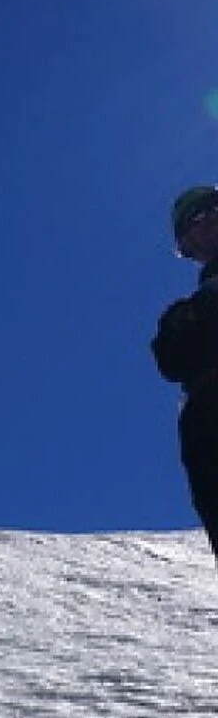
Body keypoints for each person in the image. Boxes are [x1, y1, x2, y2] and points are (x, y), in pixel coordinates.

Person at [152, 185, 218, 561]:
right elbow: (171, 360)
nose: (209, 221)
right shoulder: (184, 314)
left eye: (215, 209)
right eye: (197, 219)